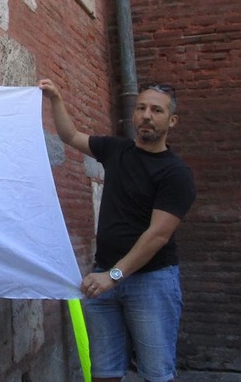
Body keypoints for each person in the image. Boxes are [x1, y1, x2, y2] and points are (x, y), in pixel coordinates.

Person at [39, 79, 195, 382]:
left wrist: (113, 276)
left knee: (156, 372)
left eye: (157, 110)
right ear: (134, 115)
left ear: (171, 120)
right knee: (104, 373)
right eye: (141, 108)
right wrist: (56, 98)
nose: (147, 115)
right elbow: (70, 135)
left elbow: (158, 236)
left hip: (151, 283)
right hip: (103, 279)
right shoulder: (116, 150)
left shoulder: (176, 173)